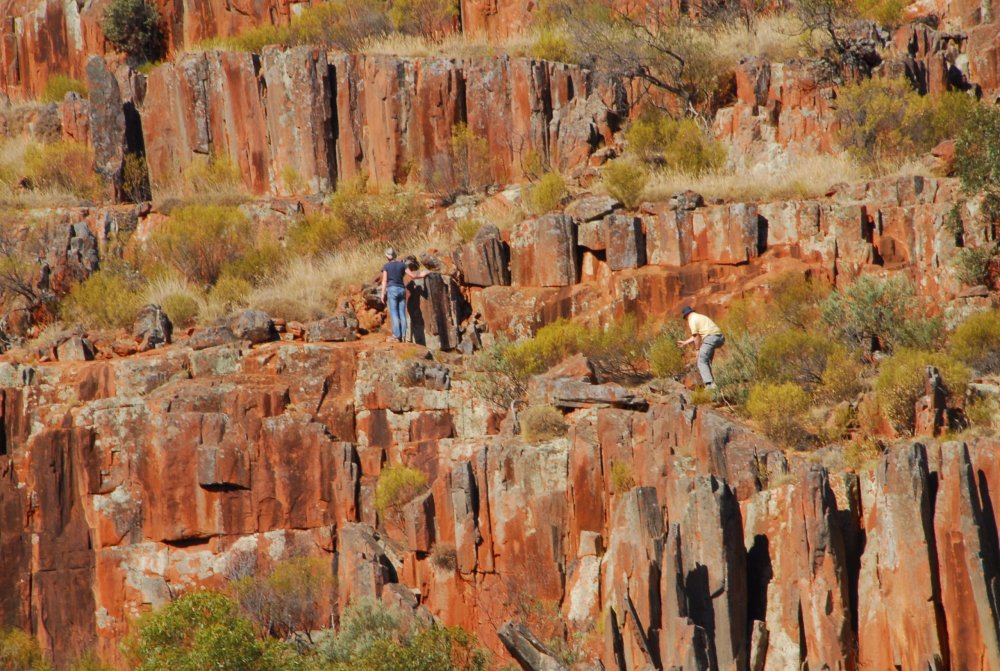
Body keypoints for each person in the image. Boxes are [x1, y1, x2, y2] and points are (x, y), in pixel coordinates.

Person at [380, 247, 429, 343]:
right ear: (395, 255)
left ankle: (396, 336)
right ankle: (403, 336)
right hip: (402, 290)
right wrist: (422, 274)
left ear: (387, 257)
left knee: (394, 313)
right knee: (402, 313)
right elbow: (413, 276)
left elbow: (384, 281)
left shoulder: (386, 266)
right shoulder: (402, 265)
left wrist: (382, 294)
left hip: (392, 290)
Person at [677, 305, 725, 388]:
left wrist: (697, 349)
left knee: (701, 361)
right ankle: (713, 382)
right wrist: (685, 342)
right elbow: (697, 335)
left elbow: (696, 337)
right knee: (707, 361)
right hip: (720, 338)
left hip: (710, 338)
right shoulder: (700, 317)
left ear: (686, 315)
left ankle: (710, 385)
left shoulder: (692, 320)